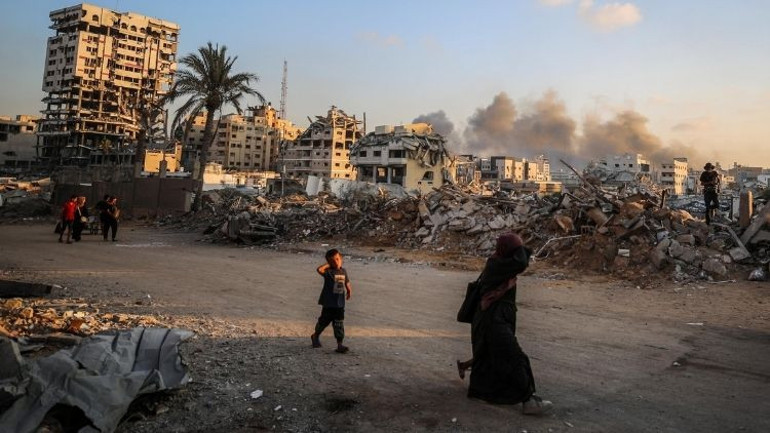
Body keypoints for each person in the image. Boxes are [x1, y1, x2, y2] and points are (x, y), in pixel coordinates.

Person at [465, 233, 552, 416]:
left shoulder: (501, 263)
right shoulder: (498, 265)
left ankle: (480, 392)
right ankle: (528, 400)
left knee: (487, 356)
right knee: (514, 357)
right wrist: (521, 248)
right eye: (516, 249)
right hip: (492, 320)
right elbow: (522, 262)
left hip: (493, 318)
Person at [310, 248, 352, 353]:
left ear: (341, 259)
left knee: (339, 324)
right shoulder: (328, 272)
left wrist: (349, 291)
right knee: (323, 322)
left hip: (339, 304)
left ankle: (340, 345)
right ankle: (315, 336)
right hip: (329, 304)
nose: (336, 262)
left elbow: (347, 282)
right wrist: (328, 264)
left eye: (337, 259)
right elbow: (319, 269)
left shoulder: (343, 271)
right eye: (332, 261)